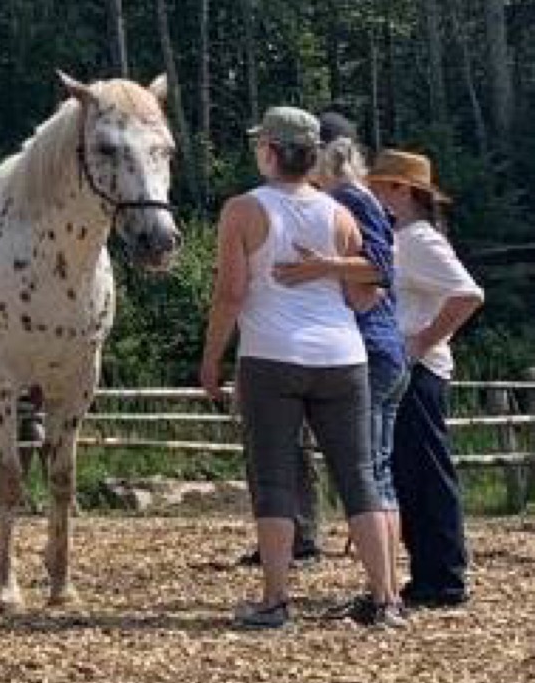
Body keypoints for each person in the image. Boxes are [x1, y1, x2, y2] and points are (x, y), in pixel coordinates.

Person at [200, 105, 400, 629]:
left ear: (269, 151)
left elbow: (231, 293)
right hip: (342, 356)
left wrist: (211, 358)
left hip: (270, 354)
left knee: (275, 478)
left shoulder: (243, 210)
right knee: (359, 476)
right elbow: (364, 297)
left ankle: (275, 599)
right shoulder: (341, 214)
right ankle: (384, 598)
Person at [272, 120, 410, 595]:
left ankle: (384, 593)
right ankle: (386, 589)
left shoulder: (348, 199)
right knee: (378, 473)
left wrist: (319, 267)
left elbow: (378, 269)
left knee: (369, 477)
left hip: (370, 346)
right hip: (382, 345)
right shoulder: (356, 198)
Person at [367, 148, 484, 609]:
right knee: (410, 471)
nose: (374, 193)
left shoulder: (418, 239)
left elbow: (467, 294)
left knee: (426, 471)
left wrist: (419, 342)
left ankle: (444, 575)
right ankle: (431, 570)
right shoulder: (408, 237)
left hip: (420, 370)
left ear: (400, 190)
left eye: (381, 186)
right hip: (409, 368)